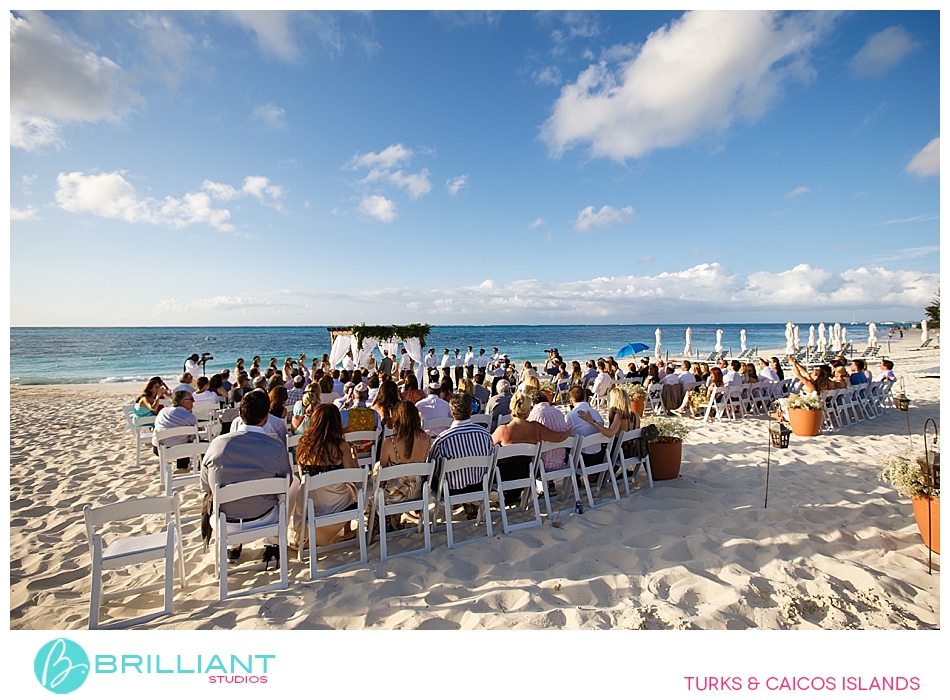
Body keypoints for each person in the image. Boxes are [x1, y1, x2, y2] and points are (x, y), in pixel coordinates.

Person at [200, 390, 294, 565]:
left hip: (225, 522)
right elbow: (286, 482)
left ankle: (233, 547)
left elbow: (205, 486)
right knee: (288, 491)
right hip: (265, 518)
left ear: (239, 414)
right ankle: (273, 543)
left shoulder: (217, 444)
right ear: (266, 417)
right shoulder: (275, 447)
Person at [291, 404, 360, 547]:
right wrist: (354, 458)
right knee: (350, 490)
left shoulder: (303, 445)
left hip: (311, 505)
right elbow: (354, 477)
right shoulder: (340, 446)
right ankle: (347, 530)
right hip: (335, 506)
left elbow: (303, 476)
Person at [491, 391, 570, 501]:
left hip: (503, 477)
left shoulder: (503, 430)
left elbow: (486, 448)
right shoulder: (535, 428)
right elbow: (558, 437)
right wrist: (568, 433)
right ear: (527, 411)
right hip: (528, 474)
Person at [374, 400, 432, 529]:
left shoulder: (390, 442)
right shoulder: (427, 438)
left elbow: (382, 473)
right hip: (417, 494)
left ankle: (386, 521)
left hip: (393, 497)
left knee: (377, 469)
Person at [427, 394, 495, 500]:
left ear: (452, 414)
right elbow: (492, 461)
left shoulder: (443, 439)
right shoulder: (485, 434)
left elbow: (432, 467)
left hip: (451, 491)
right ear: (470, 411)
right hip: (478, 486)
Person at [577, 386, 641, 458]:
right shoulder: (636, 416)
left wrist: (592, 421)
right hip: (632, 451)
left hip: (619, 453)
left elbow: (610, 433)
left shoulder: (619, 416)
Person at [526, 388, 571, 473]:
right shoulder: (559, 412)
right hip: (561, 461)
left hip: (541, 465)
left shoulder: (534, 416)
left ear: (532, 403)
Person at [152, 390, 198, 469]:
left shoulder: (163, 411)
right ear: (183, 402)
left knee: (180, 439)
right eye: (191, 399)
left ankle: (182, 467)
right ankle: (192, 467)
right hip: (179, 450)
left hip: (158, 448)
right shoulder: (190, 417)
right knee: (190, 441)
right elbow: (194, 438)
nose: (194, 401)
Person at [566, 385, 606, 466]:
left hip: (582, 459)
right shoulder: (596, 413)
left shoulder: (570, 416)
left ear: (571, 401)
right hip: (599, 456)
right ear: (585, 397)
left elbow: (566, 434)